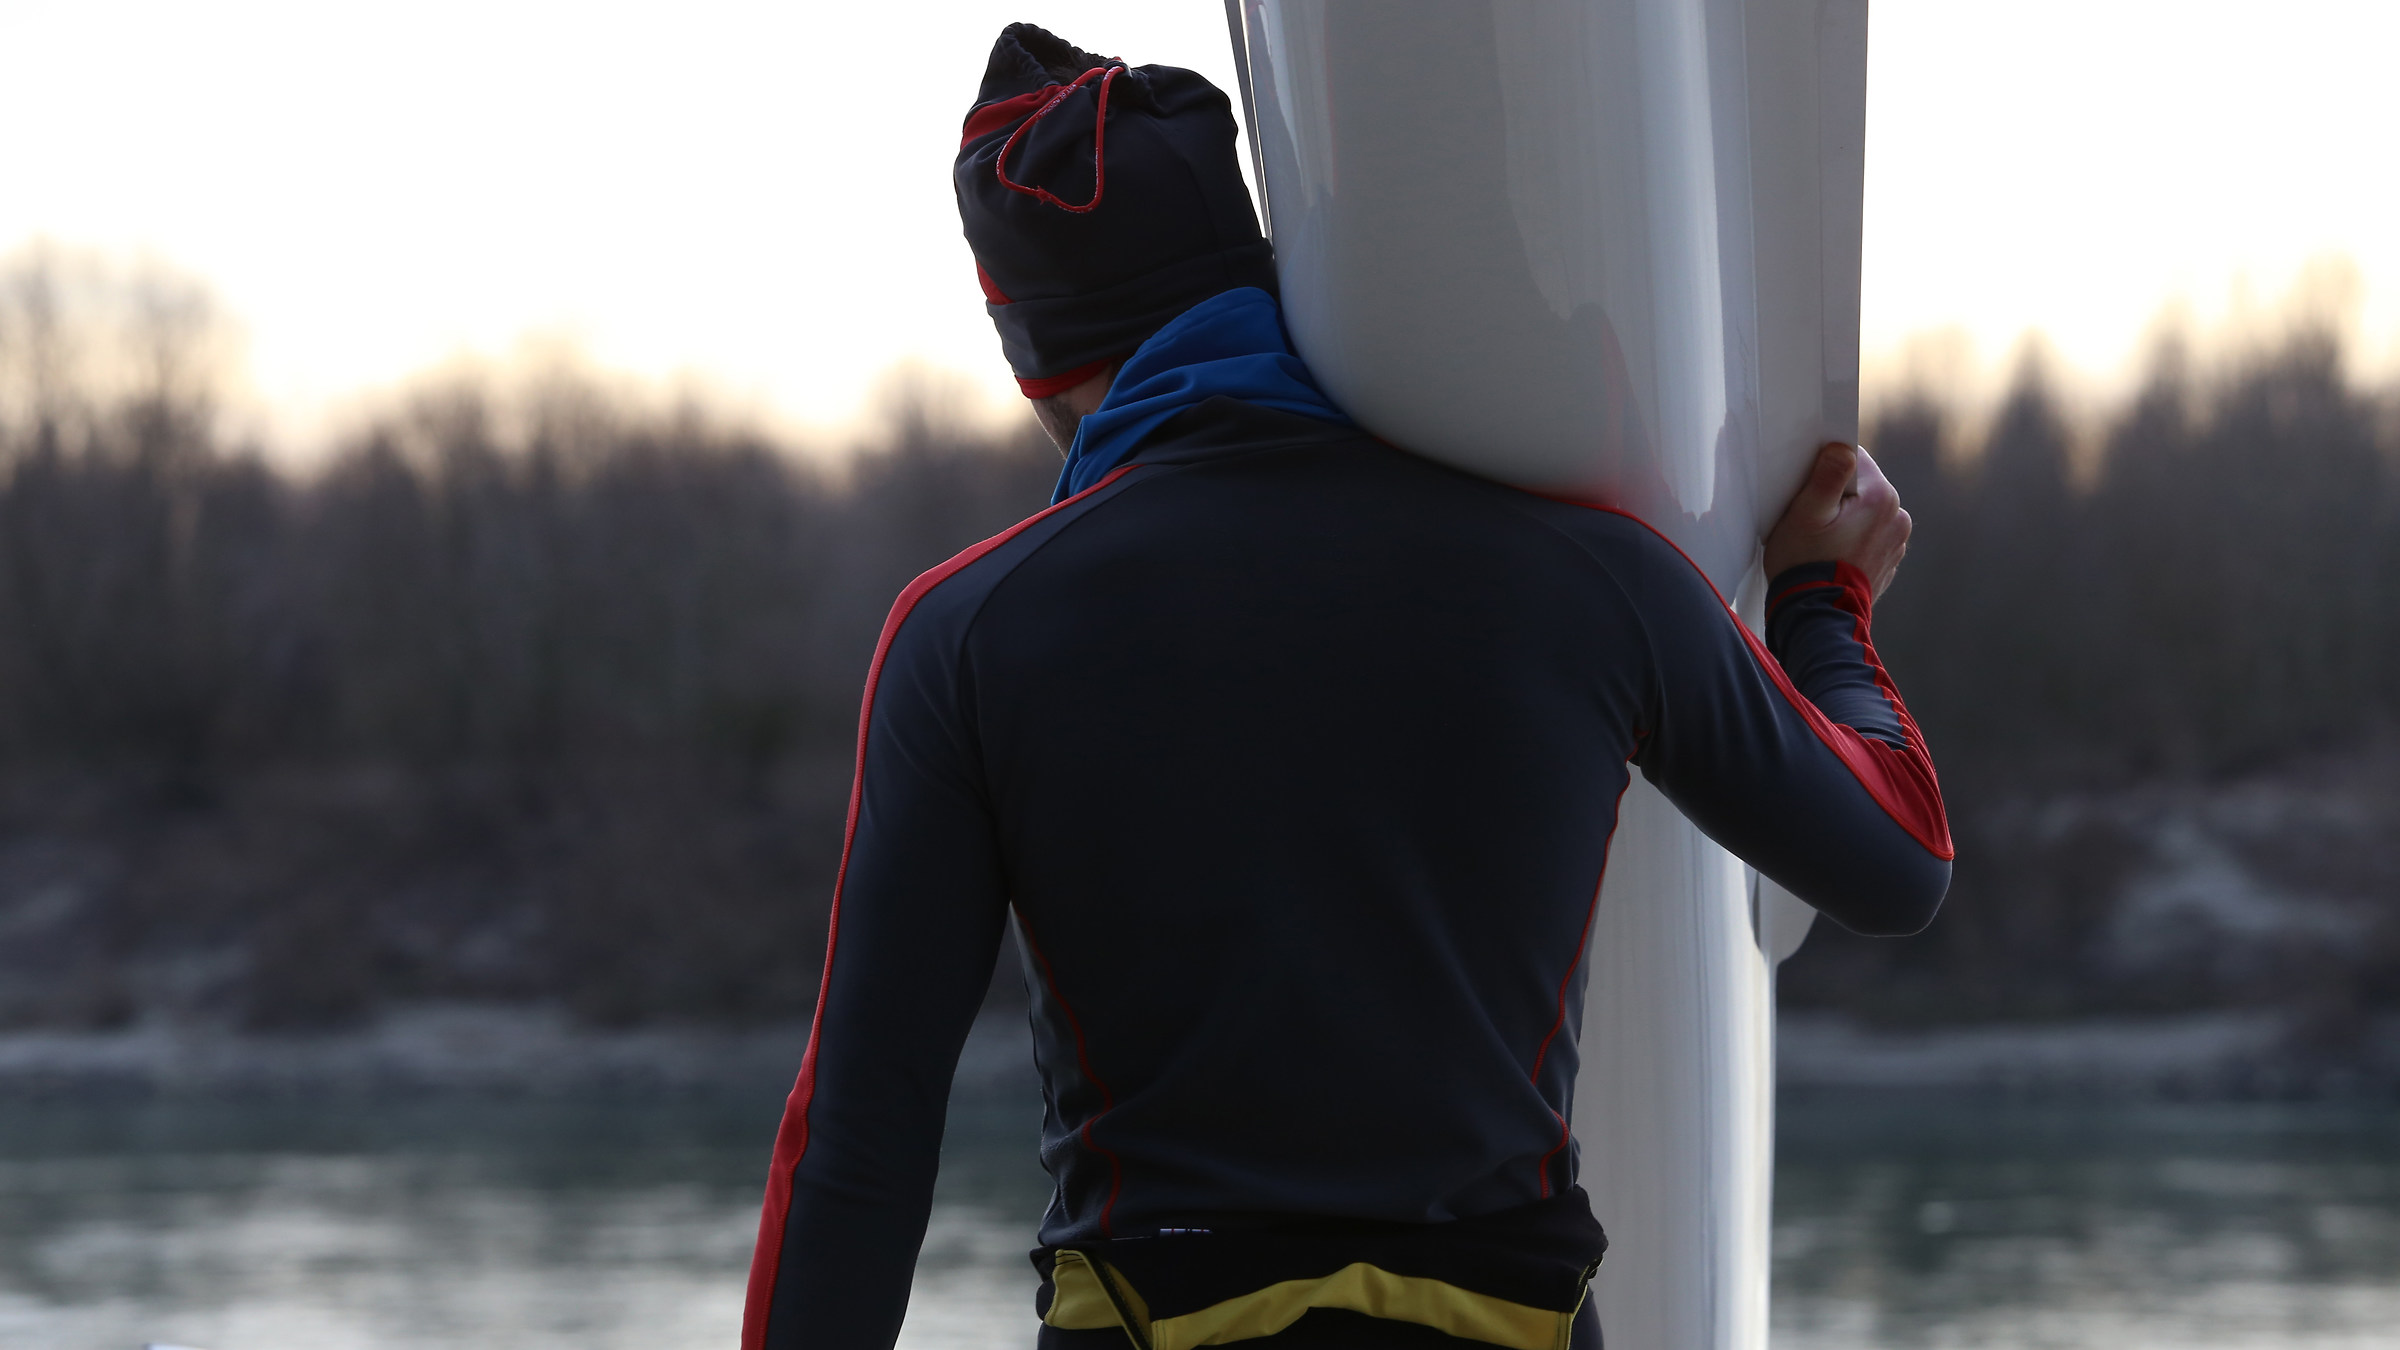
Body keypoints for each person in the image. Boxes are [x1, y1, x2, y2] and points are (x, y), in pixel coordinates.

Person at [742, 23, 1949, 1350]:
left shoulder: (969, 633)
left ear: (1039, 361)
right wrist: (1824, 603)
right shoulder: (1591, 576)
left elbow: (861, 1140)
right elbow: (1897, 858)